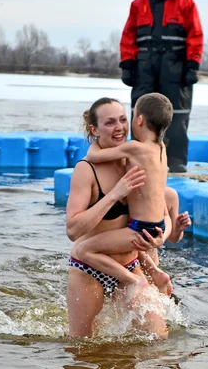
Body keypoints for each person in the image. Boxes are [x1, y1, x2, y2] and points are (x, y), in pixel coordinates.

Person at [66, 97, 169, 338]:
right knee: (83, 349)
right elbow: (72, 230)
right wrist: (114, 195)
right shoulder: (86, 169)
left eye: (123, 120)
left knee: (157, 341)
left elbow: (161, 210)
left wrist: (159, 239)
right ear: (95, 129)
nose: (120, 127)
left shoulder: (136, 157)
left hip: (131, 266)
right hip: (90, 269)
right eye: (110, 122)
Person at [119, 0, 204, 173]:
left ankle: (175, 160)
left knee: (177, 112)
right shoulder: (139, 3)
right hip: (145, 66)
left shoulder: (185, 1)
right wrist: (127, 64)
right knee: (141, 112)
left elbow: (195, 34)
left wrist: (193, 65)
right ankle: (140, 159)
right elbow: (128, 35)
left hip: (175, 66)